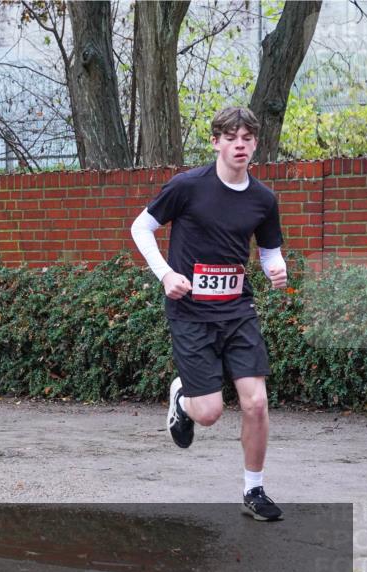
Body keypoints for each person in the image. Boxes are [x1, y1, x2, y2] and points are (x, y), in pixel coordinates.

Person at [129, 107, 288, 521]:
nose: (240, 144)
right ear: (216, 141)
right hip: (191, 313)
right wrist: (165, 274)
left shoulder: (263, 199)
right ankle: (183, 397)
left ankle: (254, 490)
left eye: (247, 138)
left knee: (256, 403)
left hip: (238, 310)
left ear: (255, 144)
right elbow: (140, 228)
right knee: (210, 413)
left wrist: (276, 265)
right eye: (231, 137)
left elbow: (270, 248)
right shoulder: (187, 186)